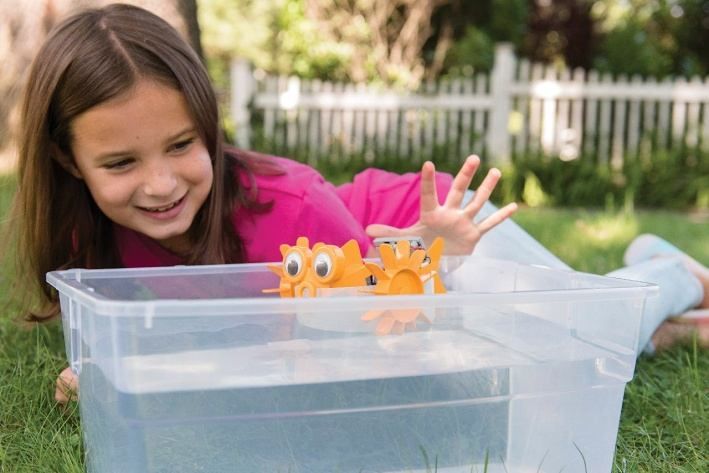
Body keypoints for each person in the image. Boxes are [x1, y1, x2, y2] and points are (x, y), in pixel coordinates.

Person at [9, 5, 706, 404]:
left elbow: (388, 320)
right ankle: (667, 324)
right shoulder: (87, 234)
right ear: (70, 161)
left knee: (571, 339)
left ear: (210, 126)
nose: (160, 184)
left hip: (434, 239)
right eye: (121, 163)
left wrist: (432, 252)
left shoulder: (291, 207)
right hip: (417, 261)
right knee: (566, 342)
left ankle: (670, 274)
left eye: (181, 145)